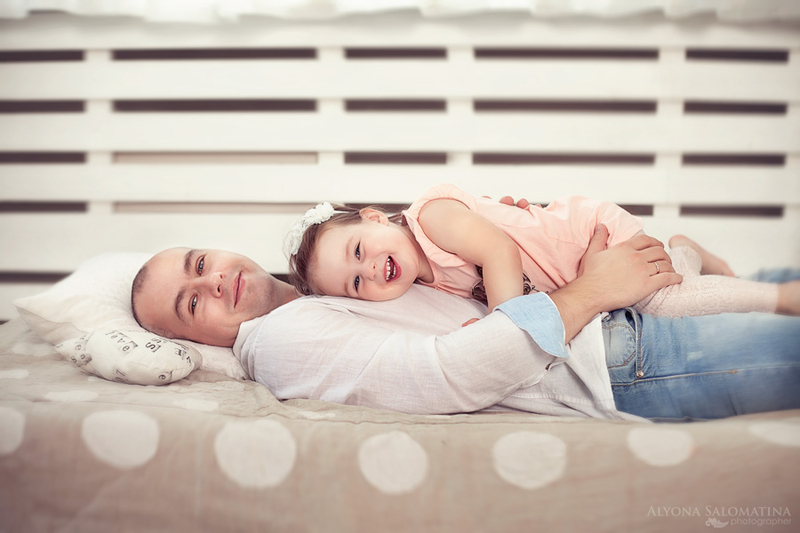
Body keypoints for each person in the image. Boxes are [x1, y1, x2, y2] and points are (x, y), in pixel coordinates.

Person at [131, 217, 800, 421]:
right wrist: (594, 290)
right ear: (193, 340)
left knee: (774, 285)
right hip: (616, 359)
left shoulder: (319, 285)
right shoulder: (279, 341)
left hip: (620, 310)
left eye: (199, 262)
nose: (212, 281)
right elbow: (444, 376)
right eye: (192, 303)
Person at [288, 184, 800, 318]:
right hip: (576, 271)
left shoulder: (430, 217)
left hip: (584, 236)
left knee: (660, 303)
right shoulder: (427, 280)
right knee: (662, 287)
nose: (369, 270)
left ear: (376, 217)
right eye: (356, 283)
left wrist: (500, 327)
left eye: (359, 249)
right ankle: (686, 252)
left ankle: (780, 298)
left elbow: (500, 251)